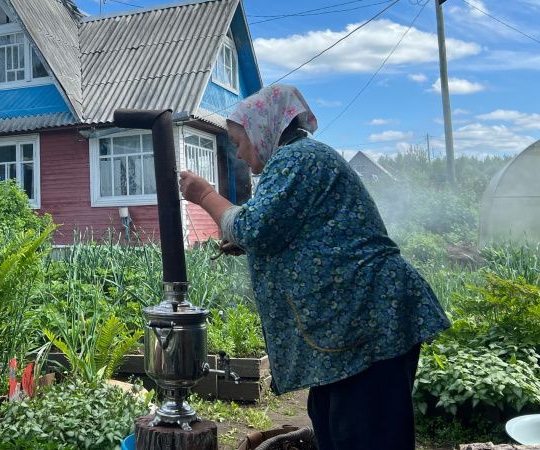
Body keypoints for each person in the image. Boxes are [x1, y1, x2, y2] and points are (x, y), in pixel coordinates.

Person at [178, 84, 450, 450]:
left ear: (263, 132)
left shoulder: (296, 159)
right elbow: (290, 229)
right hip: (353, 326)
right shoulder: (300, 160)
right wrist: (248, 241)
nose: (239, 154)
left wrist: (205, 195)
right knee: (334, 423)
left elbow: (253, 227)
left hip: (366, 320)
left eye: (238, 142)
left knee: (363, 433)